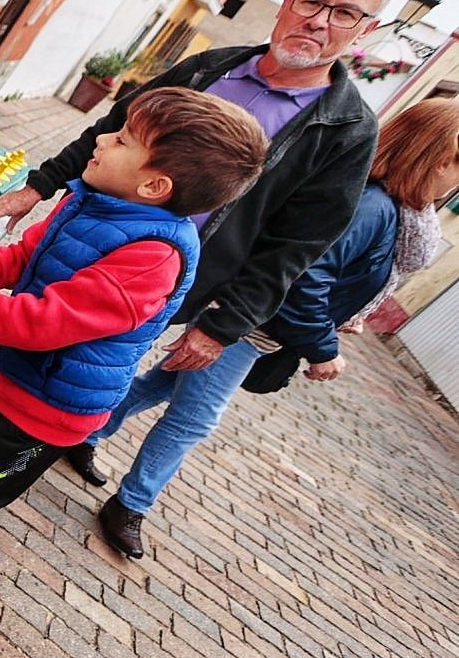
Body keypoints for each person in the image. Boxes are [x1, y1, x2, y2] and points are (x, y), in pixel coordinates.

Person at [0, 0, 395, 556]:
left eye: (344, 13)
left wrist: (224, 325)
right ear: (288, 0)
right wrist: (39, 185)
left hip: (174, 274)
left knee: (90, 350)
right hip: (96, 233)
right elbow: (113, 128)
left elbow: (298, 245)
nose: (318, 20)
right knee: (22, 321)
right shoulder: (211, 67)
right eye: (311, 1)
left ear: (367, 30)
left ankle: (52, 436)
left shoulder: (346, 129)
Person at [0, 88, 268, 632]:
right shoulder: (89, 198)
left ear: (153, 185)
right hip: (10, 379)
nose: (104, 138)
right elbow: (21, 258)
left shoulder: (151, 255)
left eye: (124, 140)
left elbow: (40, 322)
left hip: (48, 411)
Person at [85, 99, 459, 556]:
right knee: (195, 419)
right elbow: (305, 280)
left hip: (256, 326)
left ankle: (83, 433)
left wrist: (347, 314)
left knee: (162, 385)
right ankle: (129, 504)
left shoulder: (388, 210)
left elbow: (333, 276)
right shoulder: (375, 208)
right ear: (438, 161)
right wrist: (324, 348)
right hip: (248, 325)